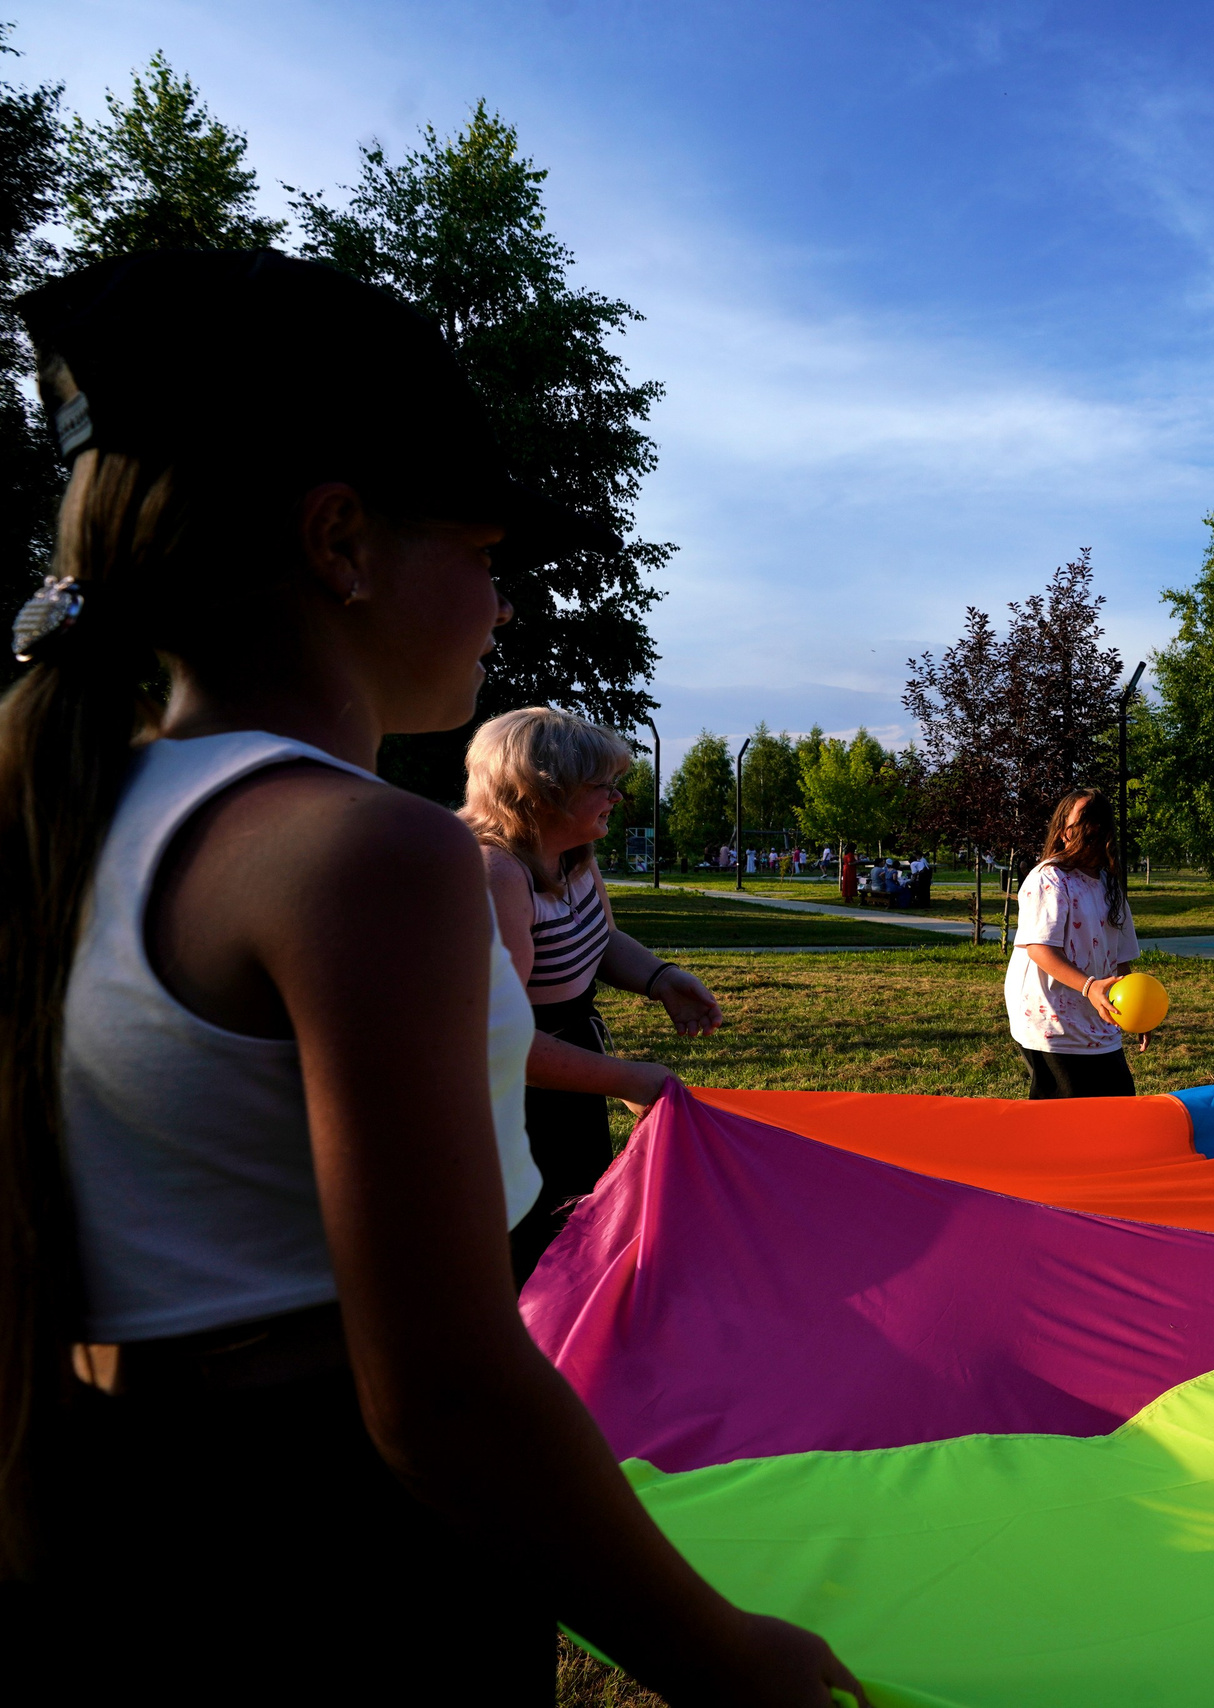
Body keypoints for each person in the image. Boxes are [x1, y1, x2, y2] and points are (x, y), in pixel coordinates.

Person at [0, 251, 860, 1702]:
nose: (502, 608)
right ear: (341, 541)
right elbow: (444, 1400)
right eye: (483, 556)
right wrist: (722, 1657)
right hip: (334, 1559)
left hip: (102, 1508)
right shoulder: (366, 854)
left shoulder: (70, 808)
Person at [466, 707, 722, 1282]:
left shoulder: (572, 855)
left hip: (567, 1075)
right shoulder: (496, 876)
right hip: (512, 1108)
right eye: (601, 785)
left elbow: (601, 938)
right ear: (541, 796)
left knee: (574, 1239)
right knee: (532, 1261)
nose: (617, 797)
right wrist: (629, 1078)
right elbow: (499, 1044)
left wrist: (661, 978)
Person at [1006, 788, 1145, 1097]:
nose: (1092, 828)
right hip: (1052, 1023)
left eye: (1099, 820)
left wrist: (1137, 1009)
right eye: (1083, 821)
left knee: (1118, 1107)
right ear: (1063, 831)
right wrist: (1089, 987)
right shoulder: (1048, 878)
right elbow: (1040, 948)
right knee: (1062, 1116)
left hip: (1099, 1021)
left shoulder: (1109, 885)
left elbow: (1121, 959)